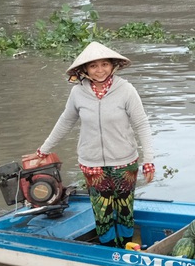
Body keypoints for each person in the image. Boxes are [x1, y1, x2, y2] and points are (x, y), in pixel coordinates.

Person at [37, 42, 155, 247]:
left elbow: (141, 124)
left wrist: (149, 160)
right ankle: (108, 250)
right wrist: (44, 149)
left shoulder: (126, 90)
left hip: (124, 163)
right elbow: (65, 121)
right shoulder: (77, 93)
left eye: (104, 64)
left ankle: (126, 246)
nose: (100, 70)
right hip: (92, 165)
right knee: (102, 211)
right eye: (93, 66)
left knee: (125, 210)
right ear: (85, 70)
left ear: (112, 66)